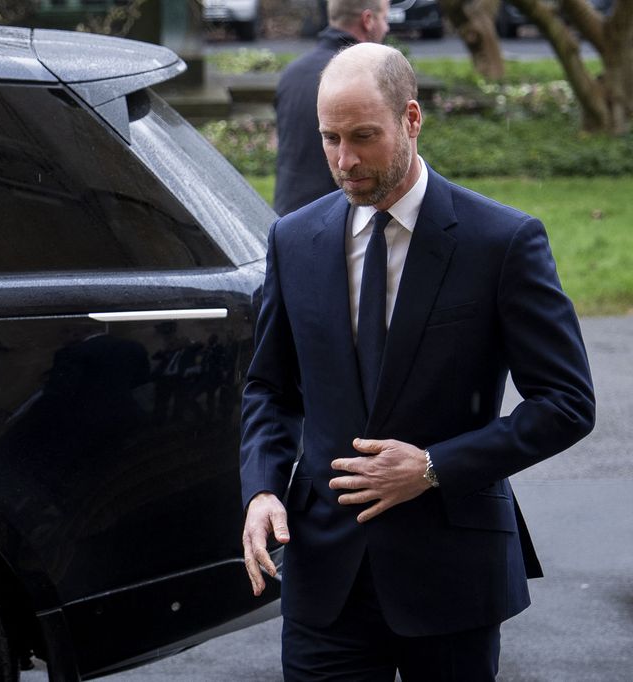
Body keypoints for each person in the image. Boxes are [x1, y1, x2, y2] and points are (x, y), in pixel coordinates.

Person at [240, 43, 595, 680]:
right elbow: (269, 388)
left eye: (364, 137)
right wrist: (263, 487)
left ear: (411, 119)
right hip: (326, 579)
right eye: (330, 138)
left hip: (452, 574)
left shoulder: (503, 242)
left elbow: (566, 404)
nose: (345, 161)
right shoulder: (293, 240)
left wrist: (432, 467)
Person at [273, 0, 390, 216]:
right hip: (334, 224)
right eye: (384, 18)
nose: (387, 27)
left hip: (287, 216)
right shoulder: (365, 79)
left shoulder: (293, 73)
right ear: (368, 20)